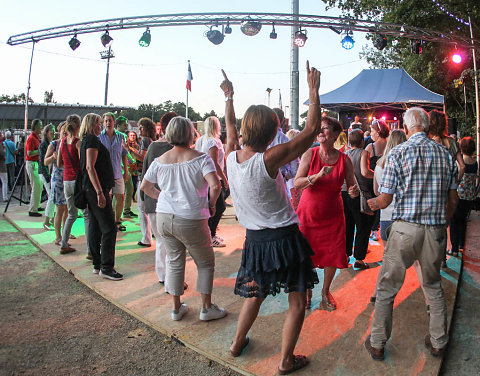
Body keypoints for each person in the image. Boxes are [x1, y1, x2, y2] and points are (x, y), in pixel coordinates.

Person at [222, 63, 320, 375]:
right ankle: (285, 361)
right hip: (285, 239)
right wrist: (314, 90)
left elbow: (229, 129)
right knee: (297, 302)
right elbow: (311, 132)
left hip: (256, 240)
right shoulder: (268, 159)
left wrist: (229, 97)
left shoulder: (230, 158)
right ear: (271, 132)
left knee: (255, 294)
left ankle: (237, 343)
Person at [364, 107, 458, 361]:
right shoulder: (446, 155)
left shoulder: (397, 153)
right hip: (435, 231)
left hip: (405, 230)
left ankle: (377, 342)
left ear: (406, 128)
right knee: (433, 286)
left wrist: (373, 203)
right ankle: (438, 341)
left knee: (387, 288)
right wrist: (441, 220)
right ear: (427, 127)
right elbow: (453, 199)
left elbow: (385, 199)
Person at [141, 116, 225, 321]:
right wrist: (211, 204)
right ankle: (206, 307)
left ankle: (177, 308)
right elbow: (216, 185)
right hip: (191, 218)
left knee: (174, 261)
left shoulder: (160, 161)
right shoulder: (200, 158)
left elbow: (145, 187)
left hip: (164, 217)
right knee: (205, 262)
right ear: (190, 134)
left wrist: (162, 197)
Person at [295, 117, 358, 311]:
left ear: (336, 135)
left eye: (325, 129)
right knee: (306, 256)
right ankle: (306, 290)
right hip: (308, 216)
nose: (321, 132)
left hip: (333, 217)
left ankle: (325, 292)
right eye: (319, 129)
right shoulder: (310, 154)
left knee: (332, 254)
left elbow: (352, 185)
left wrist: (354, 192)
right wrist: (318, 175)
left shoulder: (345, 159)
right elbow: (297, 183)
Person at [80, 113, 123, 281]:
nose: (101, 125)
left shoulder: (89, 140)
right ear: (92, 125)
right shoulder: (91, 141)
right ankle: (106, 266)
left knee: (96, 226)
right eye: (99, 123)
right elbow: (90, 167)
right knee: (109, 228)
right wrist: (99, 192)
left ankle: (98, 264)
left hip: (94, 189)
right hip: (95, 190)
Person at [141, 112, 178, 286]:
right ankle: (170, 278)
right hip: (169, 203)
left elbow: (144, 175)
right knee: (171, 243)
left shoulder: (153, 147)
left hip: (151, 199)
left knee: (161, 242)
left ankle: (163, 275)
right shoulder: (178, 149)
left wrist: (143, 199)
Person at [428, 109, 465, 269]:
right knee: (444, 224)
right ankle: (443, 260)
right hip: (448, 190)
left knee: (431, 226)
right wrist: (454, 182)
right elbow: (462, 166)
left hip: (431, 190)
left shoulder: (429, 143)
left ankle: (433, 259)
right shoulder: (451, 142)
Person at [341, 129, 375, 270]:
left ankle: (346, 255)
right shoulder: (363, 153)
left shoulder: (344, 154)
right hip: (358, 193)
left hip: (344, 192)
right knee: (363, 225)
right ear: (362, 141)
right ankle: (359, 259)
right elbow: (364, 172)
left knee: (348, 225)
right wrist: (377, 174)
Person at [195, 116, 228, 247]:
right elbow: (214, 162)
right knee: (219, 207)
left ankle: (211, 233)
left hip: (208, 178)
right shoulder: (213, 142)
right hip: (213, 178)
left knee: (215, 207)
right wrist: (224, 178)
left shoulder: (206, 140)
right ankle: (210, 235)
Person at [99, 112, 129, 232]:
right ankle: (108, 221)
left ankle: (117, 220)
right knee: (108, 198)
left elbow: (124, 154)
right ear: (103, 122)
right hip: (105, 173)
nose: (108, 123)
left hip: (117, 171)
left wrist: (126, 170)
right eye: (106, 121)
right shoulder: (99, 137)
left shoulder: (121, 136)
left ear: (114, 121)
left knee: (120, 196)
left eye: (110, 120)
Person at [448, 137, 478, 257]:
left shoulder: (461, 163)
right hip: (470, 196)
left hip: (459, 196)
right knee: (463, 221)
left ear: (461, 148)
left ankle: (454, 249)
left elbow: (457, 177)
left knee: (454, 221)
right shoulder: (475, 163)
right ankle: (461, 245)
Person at [57, 115, 81, 255]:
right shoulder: (78, 143)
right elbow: (83, 164)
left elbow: (59, 163)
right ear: (78, 127)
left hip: (66, 180)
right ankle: (91, 250)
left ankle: (64, 243)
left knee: (71, 213)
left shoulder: (63, 142)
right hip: (76, 181)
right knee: (86, 214)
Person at [132, 117, 157, 247]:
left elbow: (142, 157)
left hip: (143, 177)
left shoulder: (145, 140)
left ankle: (146, 238)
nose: (139, 129)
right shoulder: (151, 140)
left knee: (142, 208)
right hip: (149, 177)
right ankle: (152, 232)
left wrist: (129, 150)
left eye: (141, 127)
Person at [366, 119, 389, 242]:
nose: (371, 134)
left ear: (378, 133)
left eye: (372, 131)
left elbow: (364, 167)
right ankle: (376, 230)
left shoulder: (371, 147)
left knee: (372, 204)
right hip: (387, 181)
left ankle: (371, 229)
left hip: (372, 180)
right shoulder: (389, 146)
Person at [45, 123, 67, 246]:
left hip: (68, 179)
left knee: (68, 209)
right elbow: (44, 161)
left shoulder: (71, 144)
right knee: (60, 208)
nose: (65, 132)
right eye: (63, 130)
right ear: (59, 131)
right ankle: (58, 236)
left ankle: (65, 232)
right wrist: (53, 157)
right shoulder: (54, 144)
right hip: (58, 179)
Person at [38, 124, 56, 230]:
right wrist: (47, 176)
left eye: (53, 131)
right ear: (46, 132)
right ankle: (47, 221)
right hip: (44, 173)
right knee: (52, 197)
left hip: (48, 174)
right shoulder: (44, 144)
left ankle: (51, 219)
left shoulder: (49, 143)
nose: (53, 133)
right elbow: (42, 162)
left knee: (52, 197)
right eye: (51, 131)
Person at [25, 119, 43, 217]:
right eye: (40, 125)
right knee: (36, 186)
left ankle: (36, 205)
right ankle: (33, 209)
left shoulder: (35, 138)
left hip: (35, 163)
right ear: (35, 127)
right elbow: (29, 153)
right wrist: (39, 150)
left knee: (39, 185)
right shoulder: (31, 138)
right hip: (32, 163)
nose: (41, 127)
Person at [126, 130, 140, 206]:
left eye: (134, 135)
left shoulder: (137, 145)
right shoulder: (126, 145)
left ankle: (133, 198)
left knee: (134, 184)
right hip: (128, 166)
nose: (132, 137)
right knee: (129, 186)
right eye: (131, 135)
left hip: (135, 167)